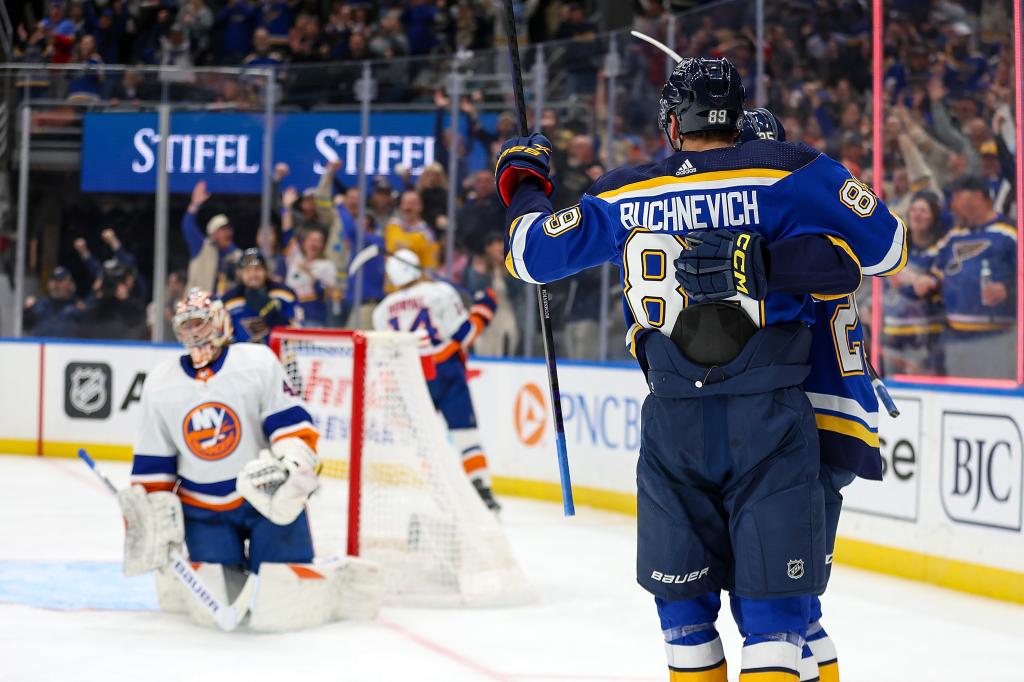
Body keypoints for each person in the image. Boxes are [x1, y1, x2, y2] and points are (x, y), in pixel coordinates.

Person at [497, 57, 906, 680]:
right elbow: (889, 247)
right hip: (771, 415)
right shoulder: (791, 171)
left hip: (672, 420)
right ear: (739, 118)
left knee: (683, 615)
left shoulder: (622, 191)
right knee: (776, 615)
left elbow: (526, 256)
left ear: (671, 123)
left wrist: (525, 183)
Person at [121, 288, 381, 630]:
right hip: (203, 510)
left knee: (285, 593)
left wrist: (293, 465)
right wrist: (149, 513)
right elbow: (155, 461)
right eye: (187, 326)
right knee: (210, 607)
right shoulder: (160, 382)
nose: (195, 333)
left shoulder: (257, 362)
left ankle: (337, 583)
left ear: (219, 321)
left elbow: (289, 425)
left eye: (200, 323)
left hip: (265, 499)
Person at [371, 249, 501, 512]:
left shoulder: (382, 311)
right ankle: (481, 490)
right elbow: (464, 334)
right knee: (466, 435)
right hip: (446, 370)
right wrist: (484, 309)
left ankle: (434, 494)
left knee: (425, 443)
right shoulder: (439, 292)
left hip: (412, 379)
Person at [924, 175, 1017, 379]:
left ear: (977, 196)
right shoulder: (954, 235)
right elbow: (932, 267)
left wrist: (1009, 291)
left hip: (998, 338)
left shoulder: (1010, 232)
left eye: (957, 195)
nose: (952, 202)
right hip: (955, 336)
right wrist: (923, 280)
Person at [883, 192, 946, 375]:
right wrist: (915, 280)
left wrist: (905, 280)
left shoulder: (940, 249)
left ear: (934, 216)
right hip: (892, 334)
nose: (917, 214)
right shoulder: (898, 248)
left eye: (923, 211)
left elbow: (923, 289)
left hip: (924, 336)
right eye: (914, 210)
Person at [221, 248, 298, 344]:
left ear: (266, 270)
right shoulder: (229, 300)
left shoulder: (284, 294)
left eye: (257, 269)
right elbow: (223, 336)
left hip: (276, 354)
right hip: (243, 355)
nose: (253, 274)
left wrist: (271, 313)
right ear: (240, 274)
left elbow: (296, 331)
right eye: (248, 270)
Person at [182, 180, 242, 296]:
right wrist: (194, 205)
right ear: (213, 234)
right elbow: (188, 226)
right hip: (198, 304)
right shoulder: (201, 246)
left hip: (224, 306)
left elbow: (250, 263)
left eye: (228, 229)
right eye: (222, 230)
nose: (227, 232)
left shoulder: (236, 254)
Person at [285, 230, 338, 328]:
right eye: (311, 240)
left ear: (322, 245)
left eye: (318, 241)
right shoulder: (295, 262)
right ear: (304, 242)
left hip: (314, 317)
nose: (314, 243)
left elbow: (328, 293)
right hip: (292, 316)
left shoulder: (327, 265)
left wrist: (309, 272)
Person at [383, 190, 440, 277]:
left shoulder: (427, 236)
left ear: (420, 207)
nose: (407, 207)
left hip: (414, 288)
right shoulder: (392, 227)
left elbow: (430, 269)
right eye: (404, 203)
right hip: (390, 287)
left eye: (412, 204)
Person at [23, 266, 82, 338]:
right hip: (43, 346)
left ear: (70, 284)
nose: (56, 285)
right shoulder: (39, 304)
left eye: (60, 281)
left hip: (67, 347)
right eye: (53, 281)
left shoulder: (77, 307)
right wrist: (27, 310)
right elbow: (26, 326)